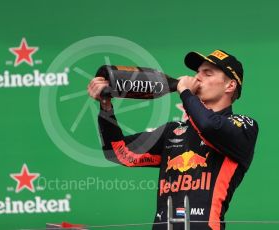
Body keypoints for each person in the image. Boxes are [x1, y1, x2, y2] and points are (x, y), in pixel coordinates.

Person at [87, 50, 259, 230]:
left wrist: (185, 92)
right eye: (198, 72)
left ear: (230, 86)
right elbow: (118, 152)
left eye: (207, 73)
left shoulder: (243, 126)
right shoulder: (174, 131)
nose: (197, 77)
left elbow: (209, 126)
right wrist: (105, 106)